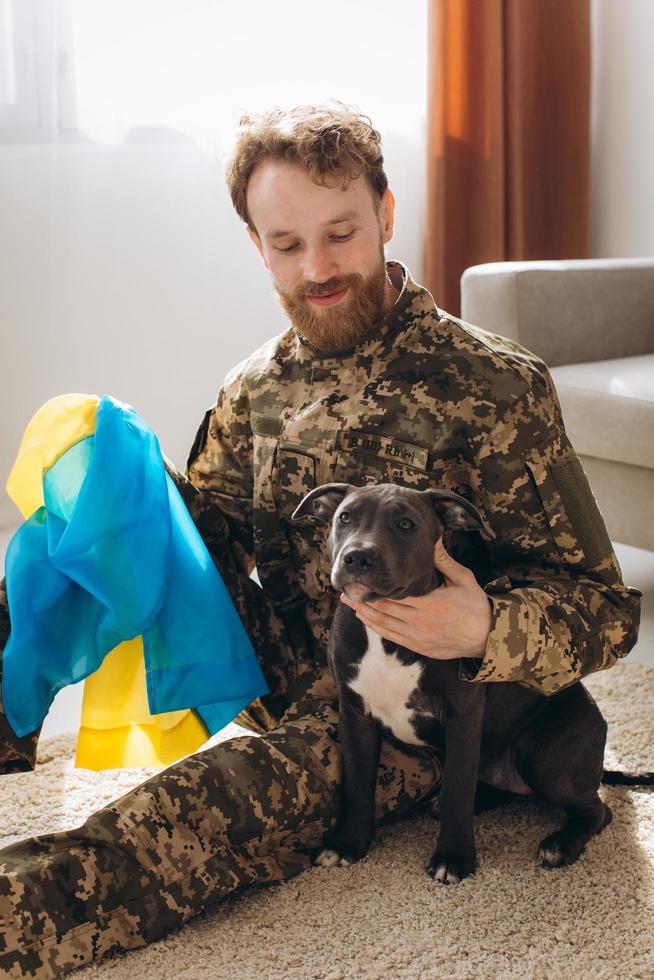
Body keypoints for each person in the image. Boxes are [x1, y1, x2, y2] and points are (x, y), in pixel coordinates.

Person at [0, 103, 641, 978]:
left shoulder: (493, 385)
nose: (318, 267)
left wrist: (488, 629)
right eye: (288, 243)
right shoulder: (253, 388)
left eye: (340, 233)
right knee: (66, 524)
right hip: (298, 660)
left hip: (416, 710)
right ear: (258, 247)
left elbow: (603, 607)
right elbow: (207, 552)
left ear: (383, 214)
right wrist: (110, 497)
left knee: (198, 808)